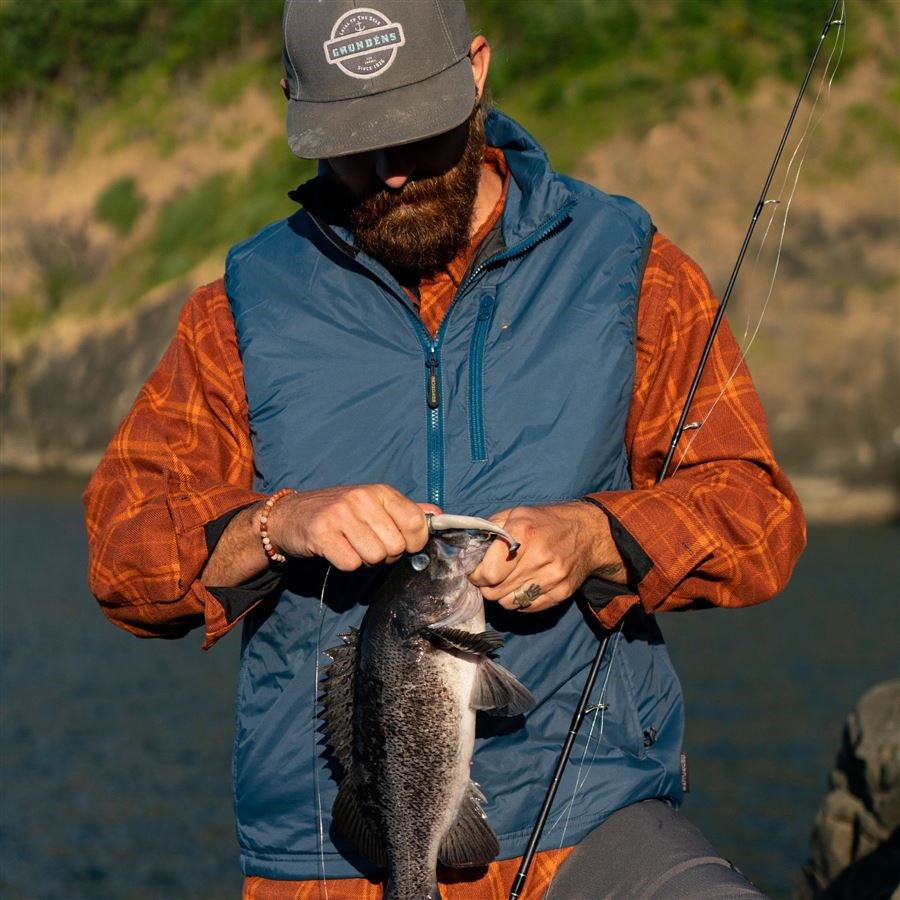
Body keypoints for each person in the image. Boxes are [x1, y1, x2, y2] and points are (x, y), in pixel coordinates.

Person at [84, 1, 806, 897]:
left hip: (592, 816)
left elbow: (755, 517)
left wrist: (597, 537)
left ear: (475, 71)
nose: (388, 173)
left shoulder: (626, 265)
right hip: (332, 854)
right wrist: (276, 524)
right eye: (353, 145)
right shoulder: (240, 307)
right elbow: (122, 551)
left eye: (414, 132)